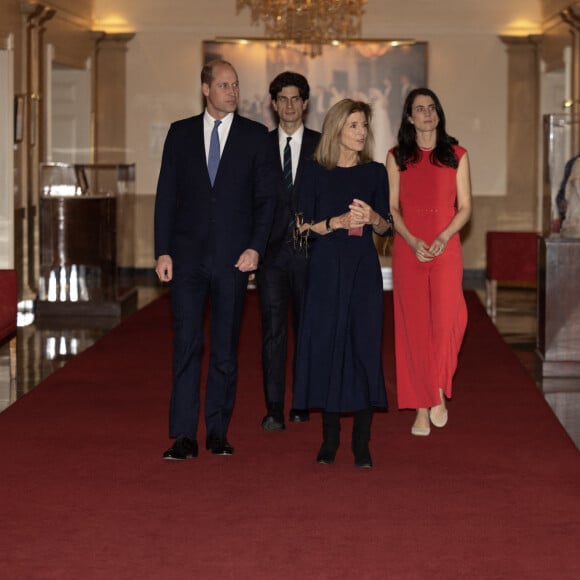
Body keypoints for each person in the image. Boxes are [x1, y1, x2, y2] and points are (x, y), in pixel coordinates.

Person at [154, 59, 277, 459]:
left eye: (236, 85)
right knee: (186, 344)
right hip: (187, 258)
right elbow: (166, 197)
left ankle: (218, 431)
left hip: (233, 260)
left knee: (225, 347)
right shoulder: (180, 133)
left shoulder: (256, 137)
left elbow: (266, 201)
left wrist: (255, 247)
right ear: (205, 89)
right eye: (224, 85)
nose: (232, 92)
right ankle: (184, 435)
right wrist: (163, 250)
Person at [292, 99, 392, 468]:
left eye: (364, 125)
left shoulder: (376, 172)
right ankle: (330, 439)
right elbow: (301, 227)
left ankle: (362, 444)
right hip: (325, 269)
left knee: (363, 346)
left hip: (362, 268)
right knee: (330, 347)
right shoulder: (315, 172)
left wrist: (374, 216)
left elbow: (387, 228)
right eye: (354, 125)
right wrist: (333, 222)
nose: (361, 132)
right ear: (336, 130)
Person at [386, 88, 472, 436]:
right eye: (419, 109)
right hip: (409, 247)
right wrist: (411, 239)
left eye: (432, 107)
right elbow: (392, 208)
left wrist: (442, 237)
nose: (427, 114)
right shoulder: (396, 157)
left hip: (445, 245)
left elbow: (465, 207)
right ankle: (422, 405)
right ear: (409, 117)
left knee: (451, 320)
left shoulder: (456, 154)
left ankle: (437, 384)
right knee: (414, 328)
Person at [257, 71, 321, 432]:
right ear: (273, 103)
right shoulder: (260, 146)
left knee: (307, 330)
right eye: (282, 99)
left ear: (306, 103)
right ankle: (274, 408)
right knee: (273, 331)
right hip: (271, 256)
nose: (289, 105)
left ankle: (301, 402)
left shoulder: (322, 145)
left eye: (296, 98)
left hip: (312, 253)